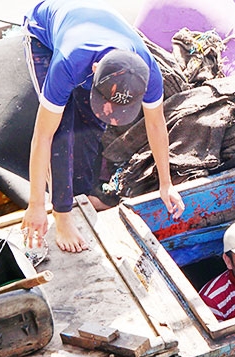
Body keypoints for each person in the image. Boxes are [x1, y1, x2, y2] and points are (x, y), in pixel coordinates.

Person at [20, 0, 185, 253]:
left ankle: (82, 191)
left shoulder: (148, 73)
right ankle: (62, 215)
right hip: (45, 30)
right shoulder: (68, 62)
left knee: (91, 123)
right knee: (62, 130)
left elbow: (156, 124)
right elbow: (43, 135)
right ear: (94, 70)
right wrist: (36, 205)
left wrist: (166, 183)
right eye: (107, 101)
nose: (110, 111)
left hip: (95, 24)